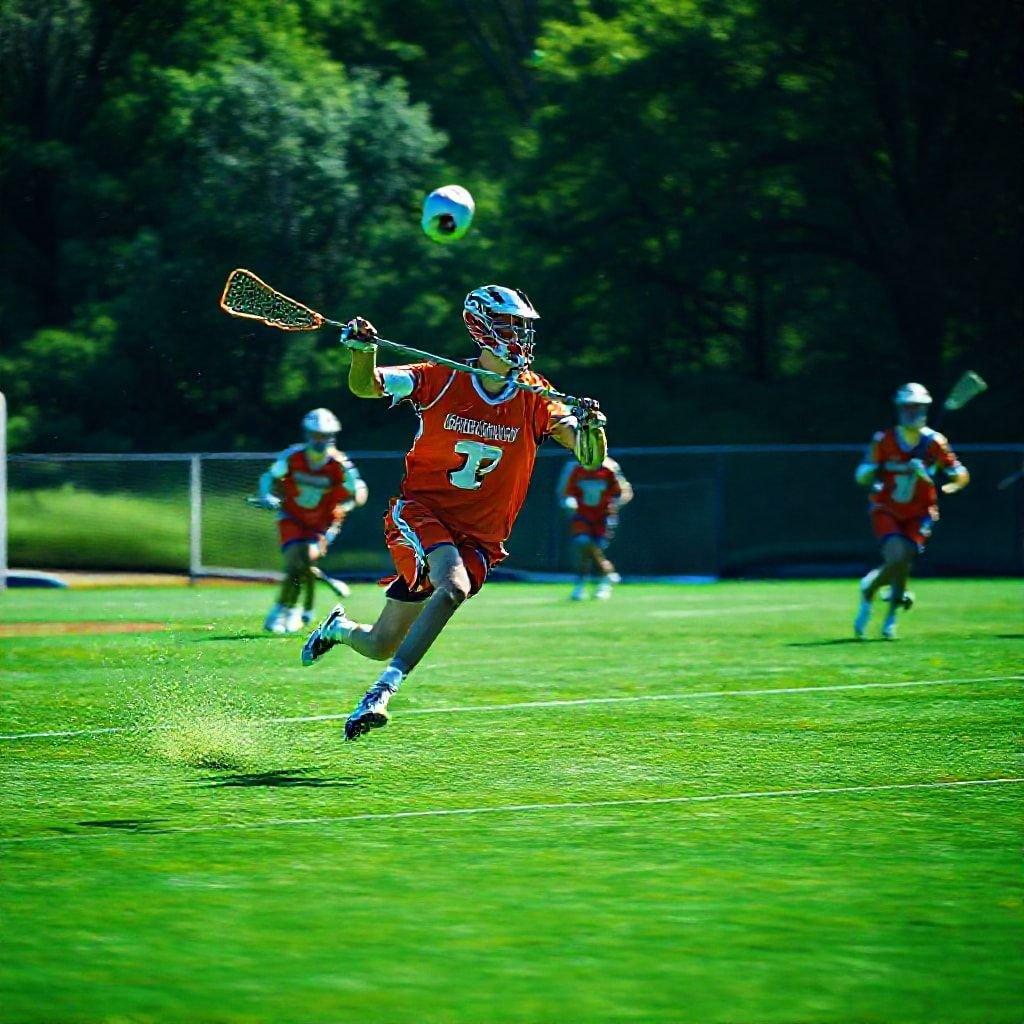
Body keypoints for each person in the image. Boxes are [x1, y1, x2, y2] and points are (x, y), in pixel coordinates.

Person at [301, 285, 608, 739]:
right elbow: (366, 385)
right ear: (482, 329)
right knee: (453, 587)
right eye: (511, 327)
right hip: (423, 515)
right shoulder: (438, 377)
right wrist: (362, 352)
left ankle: (339, 629)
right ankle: (379, 695)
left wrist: (591, 426)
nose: (521, 338)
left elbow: (589, 457)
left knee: (381, 642)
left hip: (480, 538)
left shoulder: (535, 394)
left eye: (524, 329)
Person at [853, 383, 969, 639]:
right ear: (899, 409)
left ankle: (887, 611)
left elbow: (959, 473)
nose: (911, 412)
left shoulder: (934, 442)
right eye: (906, 407)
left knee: (903, 561)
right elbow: (862, 474)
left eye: (916, 407)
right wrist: (871, 472)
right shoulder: (883, 440)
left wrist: (950, 485)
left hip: (921, 512)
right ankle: (871, 592)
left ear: (925, 409)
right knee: (897, 557)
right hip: (888, 508)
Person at [256, 408, 368, 633]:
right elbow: (269, 477)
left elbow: (359, 489)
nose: (320, 440)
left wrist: (355, 498)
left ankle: (293, 610)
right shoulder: (292, 457)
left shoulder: (339, 465)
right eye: (316, 435)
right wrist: (266, 495)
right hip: (292, 517)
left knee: (304, 560)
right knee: (293, 563)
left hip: (323, 524)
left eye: (325, 436)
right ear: (307, 434)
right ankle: (285, 610)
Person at [558, 456, 632, 600]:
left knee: (589, 552)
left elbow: (624, 492)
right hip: (582, 516)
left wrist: (615, 505)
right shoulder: (576, 469)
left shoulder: (609, 468)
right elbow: (567, 492)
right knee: (584, 543)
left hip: (602, 517)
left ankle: (589, 584)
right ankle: (606, 576)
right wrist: (569, 501)